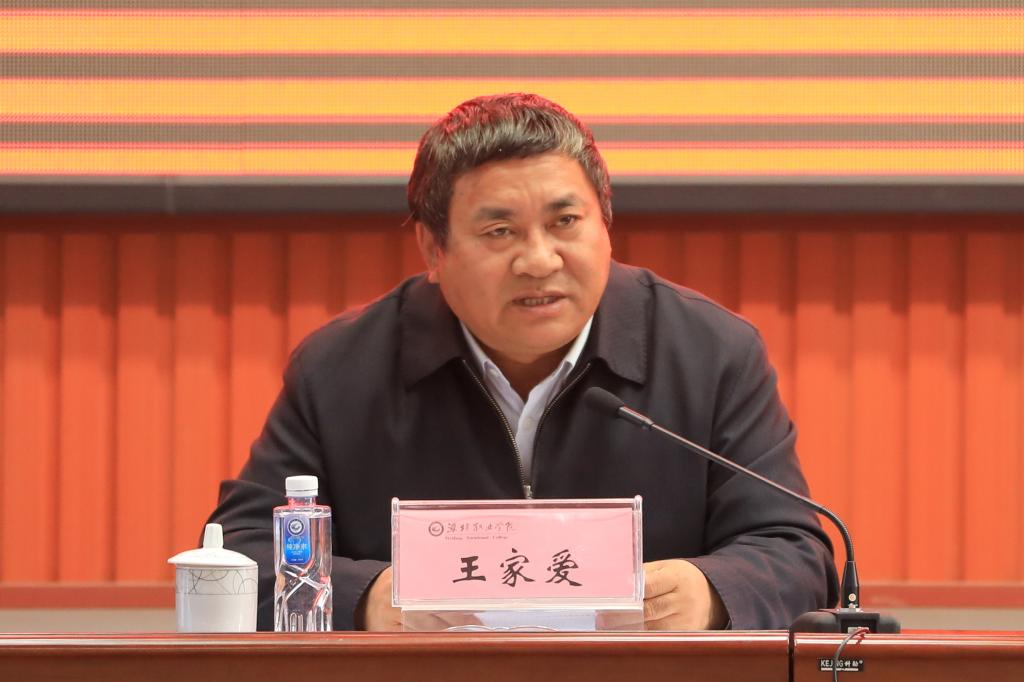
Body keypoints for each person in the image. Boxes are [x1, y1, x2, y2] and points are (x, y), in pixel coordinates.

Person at [207, 93, 838, 631]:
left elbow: (794, 555)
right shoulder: (341, 370)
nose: (539, 260)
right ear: (433, 249)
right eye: (499, 232)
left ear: (606, 224)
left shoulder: (709, 352)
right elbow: (237, 558)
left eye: (565, 221)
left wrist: (711, 592)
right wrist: (365, 598)